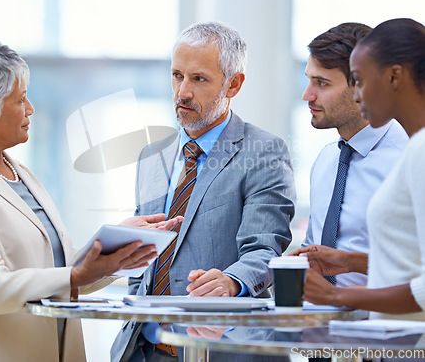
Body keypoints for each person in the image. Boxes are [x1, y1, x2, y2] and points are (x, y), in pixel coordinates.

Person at [0, 36, 183, 362]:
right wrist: (77, 276)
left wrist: (115, 246)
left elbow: (52, 269)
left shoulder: (18, 173)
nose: (30, 109)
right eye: (20, 100)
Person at [111, 21, 296, 361]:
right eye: (176, 75)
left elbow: (266, 249)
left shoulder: (264, 151)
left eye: (198, 79)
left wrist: (231, 281)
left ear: (233, 84)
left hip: (218, 350)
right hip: (142, 350)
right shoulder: (152, 157)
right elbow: (144, 259)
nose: (182, 92)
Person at [298, 18, 425, 320]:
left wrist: (335, 294)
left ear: (394, 77)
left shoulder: (413, 150)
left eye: (360, 80)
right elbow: (402, 259)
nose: (358, 93)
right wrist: (349, 261)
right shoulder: (327, 160)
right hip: (362, 340)